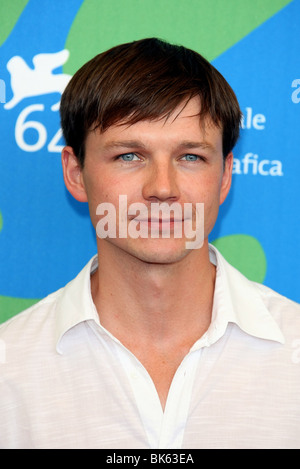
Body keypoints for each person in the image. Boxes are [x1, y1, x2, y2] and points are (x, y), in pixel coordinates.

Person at [0, 38, 300, 450]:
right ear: (75, 172)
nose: (162, 188)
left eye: (190, 157)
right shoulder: (8, 370)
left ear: (226, 176)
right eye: (129, 155)